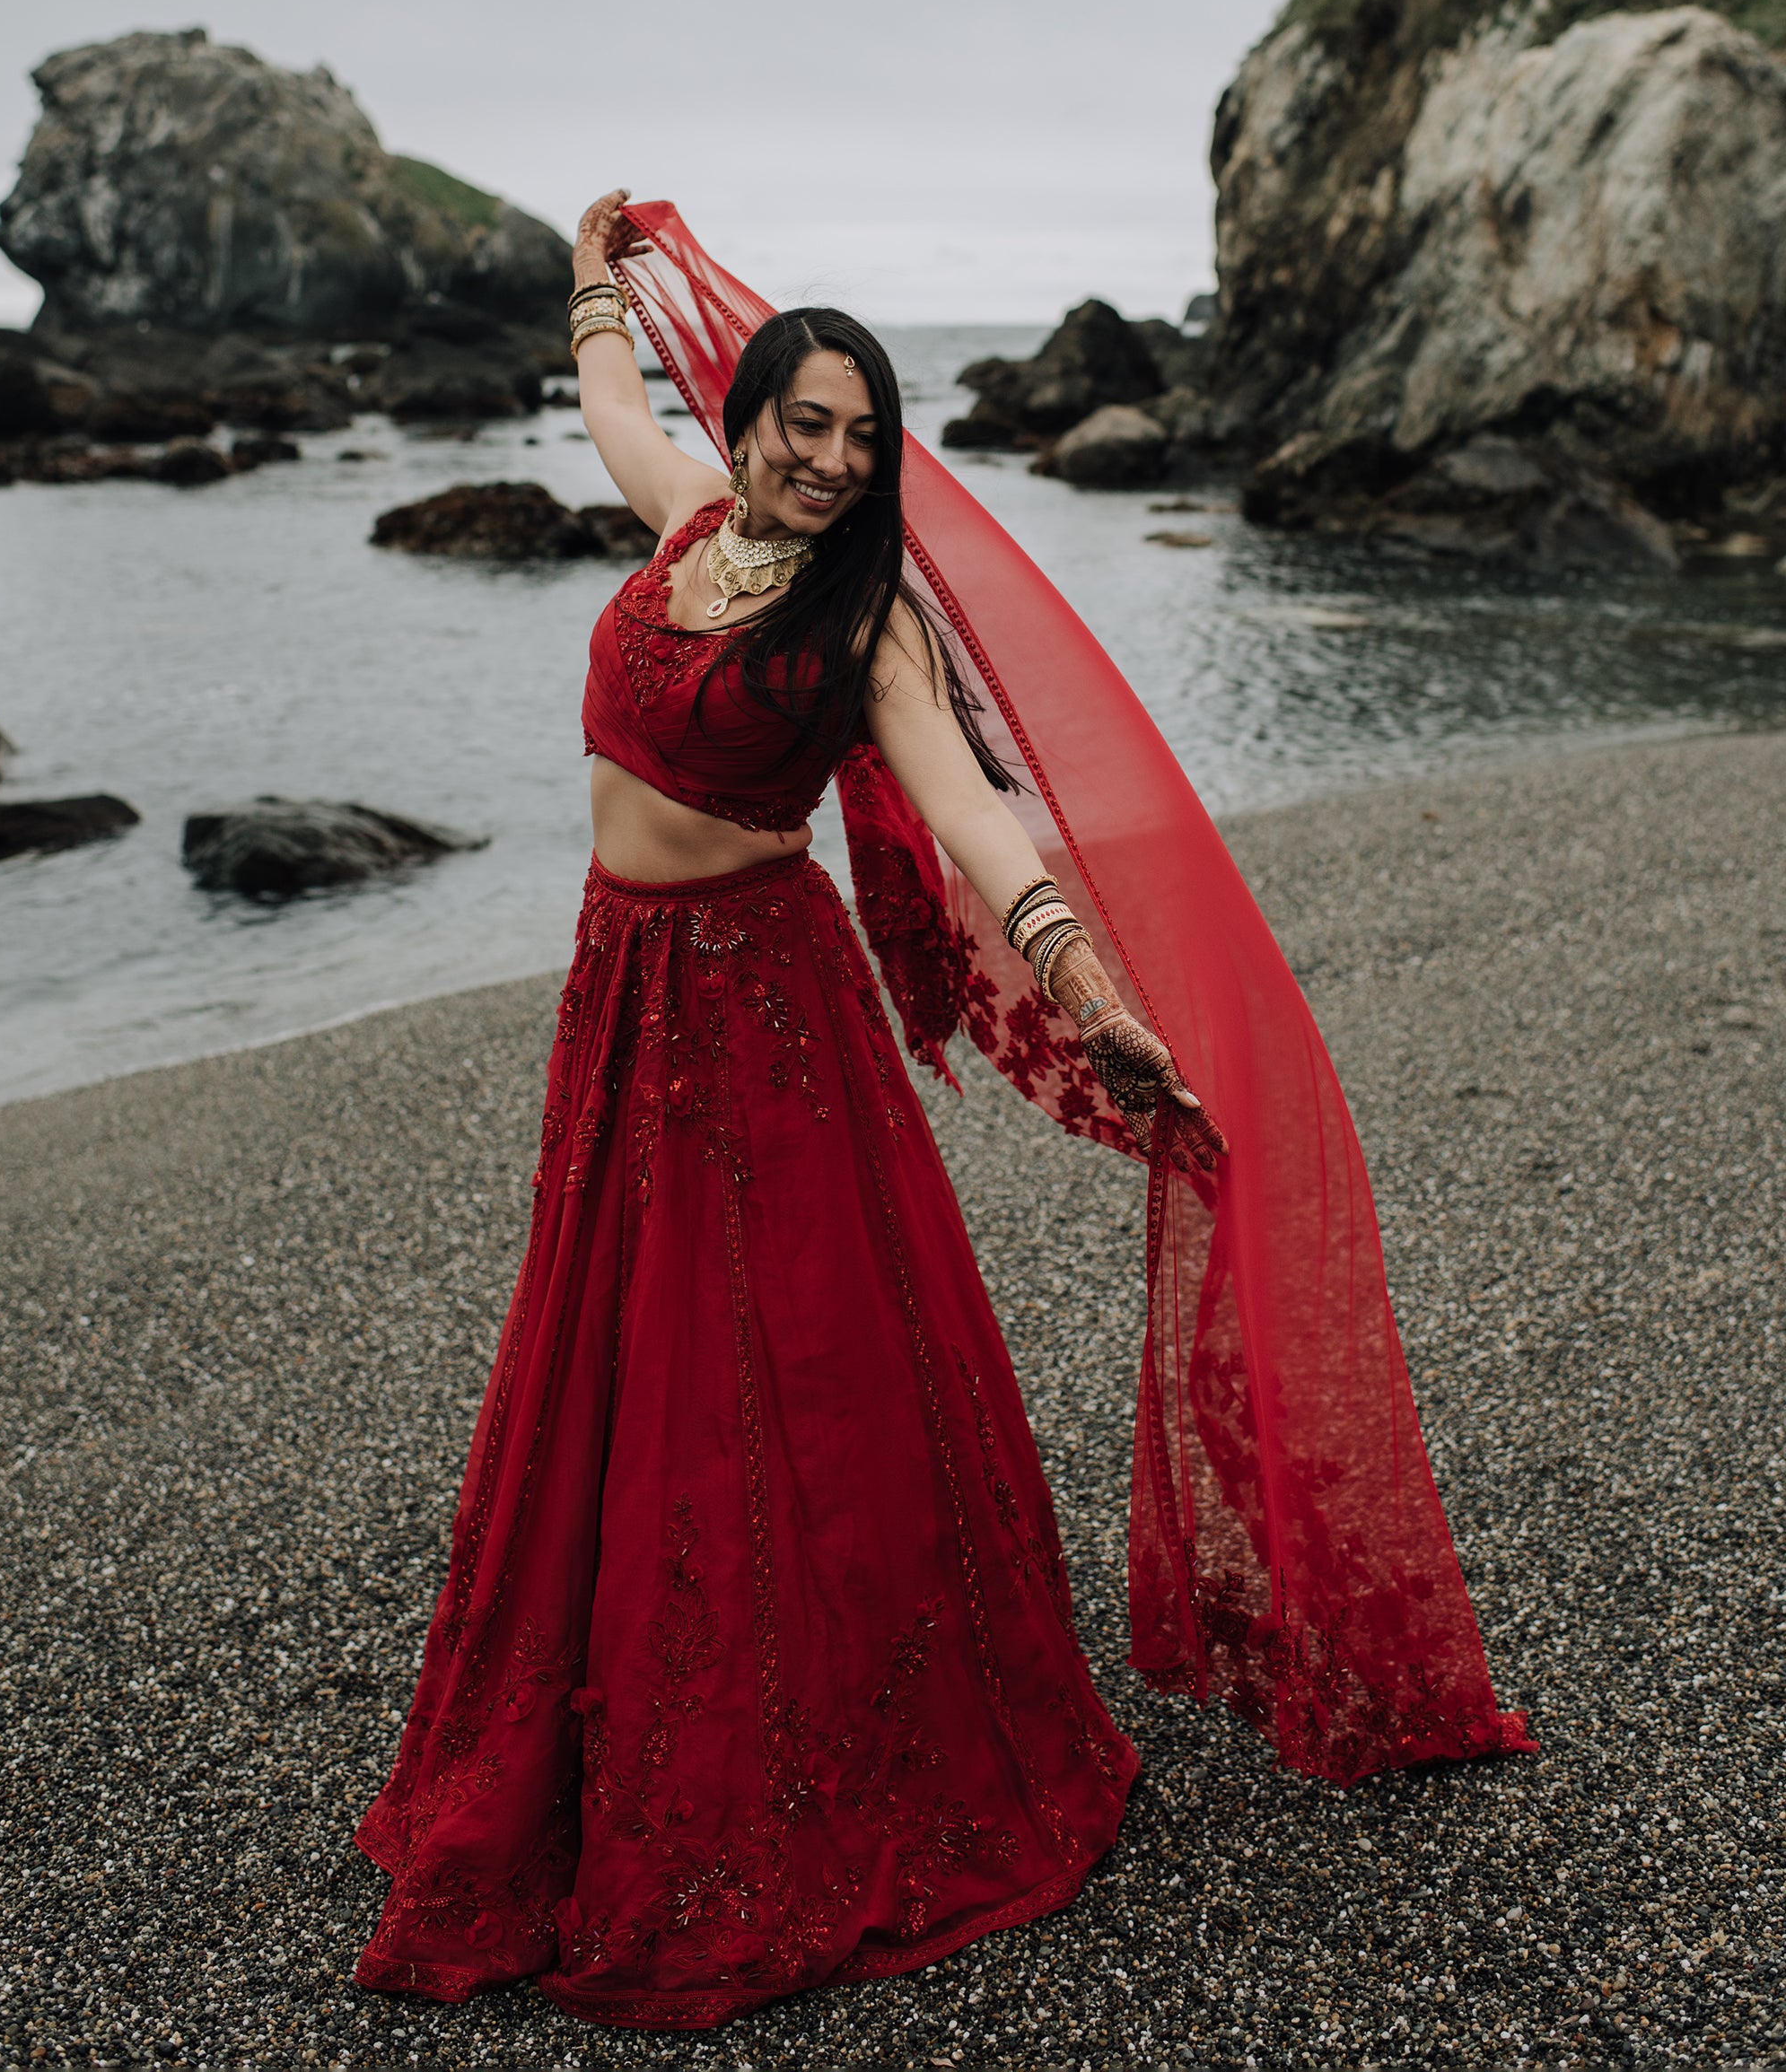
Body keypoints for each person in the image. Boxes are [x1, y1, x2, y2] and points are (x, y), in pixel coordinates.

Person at [352, 190, 1229, 2029]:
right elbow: (606, 409)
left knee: (777, 1376)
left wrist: (1085, 981)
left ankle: (807, 1743)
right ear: (742, 415)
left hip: (761, 1008)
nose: (830, 459)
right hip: (624, 991)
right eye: (803, 423)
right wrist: (592, 287)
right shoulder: (682, 521)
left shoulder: (871, 622)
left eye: (861, 435)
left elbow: (976, 817)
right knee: (614, 1357)